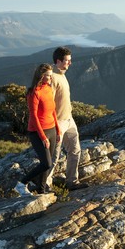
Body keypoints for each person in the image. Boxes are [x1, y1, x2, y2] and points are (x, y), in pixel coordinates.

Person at [14, 63, 61, 196]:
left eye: (51, 76)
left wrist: (57, 130)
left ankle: (41, 189)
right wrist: (43, 137)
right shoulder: (34, 92)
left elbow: (53, 111)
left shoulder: (48, 88)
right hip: (38, 131)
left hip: (51, 128)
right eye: (48, 76)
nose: (51, 78)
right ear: (41, 76)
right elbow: (33, 116)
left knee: (48, 162)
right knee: (46, 163)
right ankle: (21, 184)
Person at [46, 46, 82, 189]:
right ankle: (45, 185)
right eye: (67, 60)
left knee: (75, 150)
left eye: (70, 60)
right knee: (54, 156)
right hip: (58, 122)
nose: (70, 63)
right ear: (58, 61)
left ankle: (72, 181)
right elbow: (49, 104)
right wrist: (54, 125)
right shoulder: (52, 77)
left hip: (69, 120)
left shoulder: (62, 74)